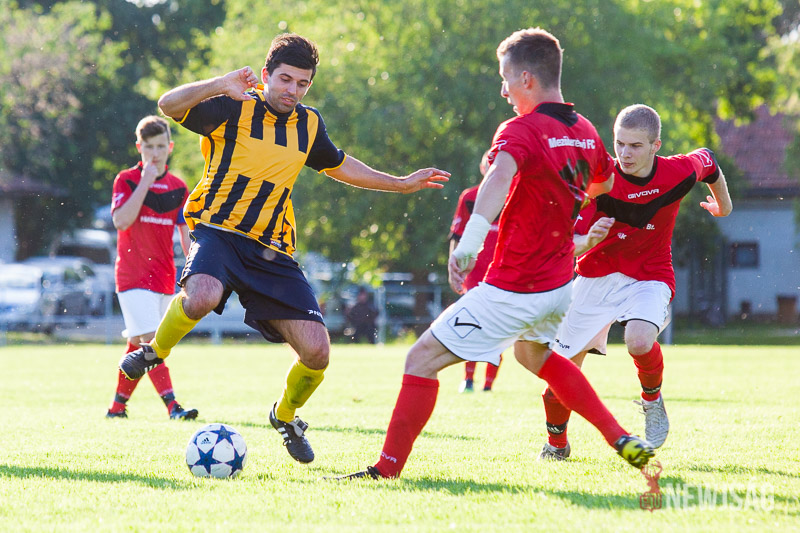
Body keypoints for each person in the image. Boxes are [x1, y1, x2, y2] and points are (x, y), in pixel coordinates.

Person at [331, 28, 655, 481]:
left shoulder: (522, 129)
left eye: (505, 79)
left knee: (419, 360)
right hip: (558, 285)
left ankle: (385, 470)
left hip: (514, 286)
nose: (503, 91)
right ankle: (620, 437)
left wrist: (468, 245)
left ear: (526, 78)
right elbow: (604, 184)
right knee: (534, 357)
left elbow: (497, 179)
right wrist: (565, 214)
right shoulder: (584, 132)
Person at [118, 33, 449, 464]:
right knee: (201, 296)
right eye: (286, 79)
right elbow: (168, 104)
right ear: (267, 74)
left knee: (317, 351)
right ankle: (154, 351)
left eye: (303, 83)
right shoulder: (234, 105)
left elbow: (339, 164)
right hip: (219, 231)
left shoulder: (309, 124)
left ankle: (285, 416)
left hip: (271, 248)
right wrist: (219, 83)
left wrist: (400, 183)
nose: (293, 90)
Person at [539, 104, 733, 460]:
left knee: (639, 339)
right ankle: (556, 445)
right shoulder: (599, 181)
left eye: (635, 145)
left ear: (656, 145)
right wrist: (586, 240)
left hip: (650, 274)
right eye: (619, 144)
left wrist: (725, 206)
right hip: (595, 276)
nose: (624, 154)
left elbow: (709, 162)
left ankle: (652, 400)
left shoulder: (677, 171)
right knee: (559, 376)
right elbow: (565, 237)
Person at [106, 115, 198, 421]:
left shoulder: (179, 187)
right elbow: (121, 221)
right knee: (151, 342)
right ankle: (173, 407)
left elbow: (186, 235)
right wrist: (146, 180)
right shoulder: (126, 180)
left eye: (160, 146)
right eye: (149, 147)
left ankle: (117, 408)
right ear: (139, 147)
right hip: (131, 277)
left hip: (164, 277)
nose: (155, 153)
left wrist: (194, 270)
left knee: (138, 344)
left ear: (170, 147)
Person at [448, 150, 503, 392]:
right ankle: (468, 379)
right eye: (489, 164)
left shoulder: (514, 196)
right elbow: (457, 234)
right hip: (474, 273)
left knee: (497, 330)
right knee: (471, 326)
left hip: (502, 272)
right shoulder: (470, 197)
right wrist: (454, 266)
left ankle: (488, 385)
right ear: (483, 169)